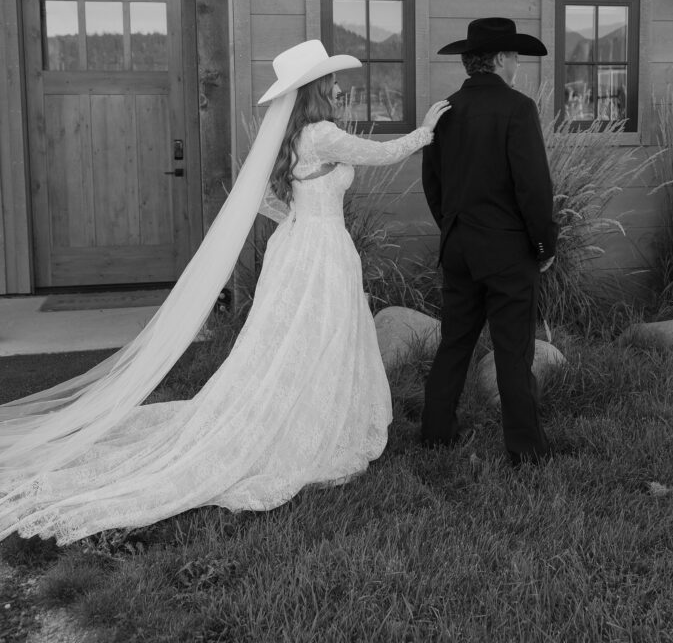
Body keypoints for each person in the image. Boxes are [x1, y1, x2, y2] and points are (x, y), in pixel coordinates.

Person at [0, 40, 449, 544]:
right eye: (333, 80)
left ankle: (306, 410)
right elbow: (383, 153)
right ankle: (316, 427)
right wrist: (425, 131)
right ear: (317, 88)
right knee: (321, 334)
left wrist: (298, 219)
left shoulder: (293, 135)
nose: (341, 88)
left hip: (298, 246)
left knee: (294, 340)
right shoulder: (322, 134)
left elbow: (256, 194)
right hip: (321, 250)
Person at [420, 17, 558, 466]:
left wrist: (451, 227)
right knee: (513, 350)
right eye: (515, 56)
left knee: (455, 343)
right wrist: (543, 246)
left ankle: (435, 433)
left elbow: (433, 183)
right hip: (506, 252)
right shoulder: (518, 108)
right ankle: (526, 450)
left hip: (458, 246)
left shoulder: (444, 109)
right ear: (500, 59)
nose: (517, 64)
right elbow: (533, 187)